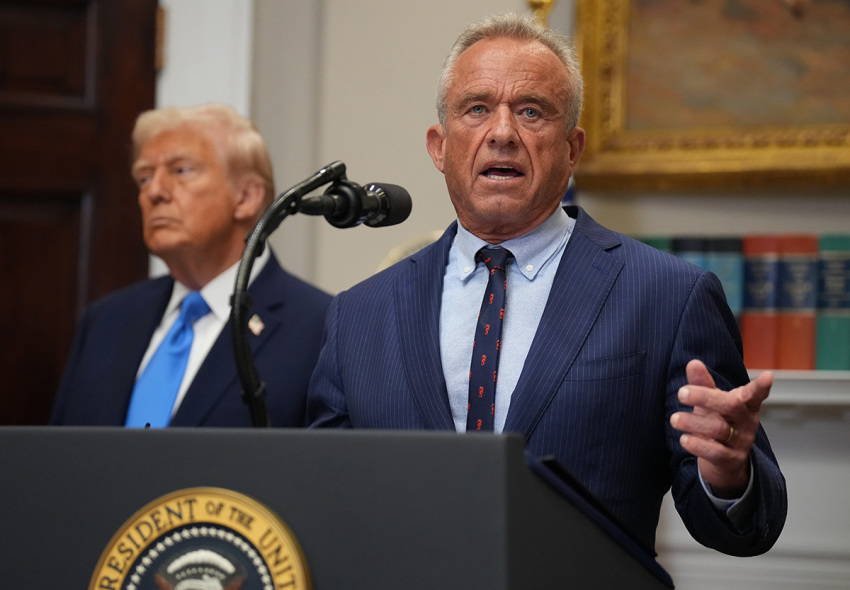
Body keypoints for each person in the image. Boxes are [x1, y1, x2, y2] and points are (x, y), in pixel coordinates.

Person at [307, 13, 786, 556]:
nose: (504, 133)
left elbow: (747, 526)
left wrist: (728, 475)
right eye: (478, 109)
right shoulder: (359, 315)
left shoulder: (669, 297)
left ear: (572, 148)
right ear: (439, 146)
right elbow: (324, 498)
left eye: (532, 111)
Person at [52, 103, 332, 427]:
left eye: (181, 170)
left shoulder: (321, 328)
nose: (154, 192)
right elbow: (60, 464)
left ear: (246, 197)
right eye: (144, 178)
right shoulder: (106, 321)